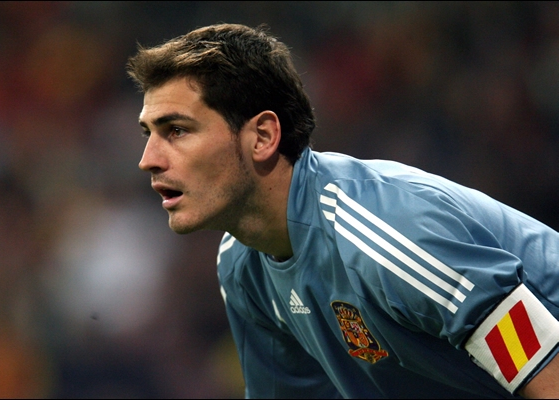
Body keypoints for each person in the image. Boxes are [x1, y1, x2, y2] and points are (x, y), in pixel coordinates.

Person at [127, 23, 559, 398]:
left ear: (262, 137)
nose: (148, 159)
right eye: (149, 134)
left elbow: (546, 369)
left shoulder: (386, 232)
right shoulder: (242, 266)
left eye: (176, 130)